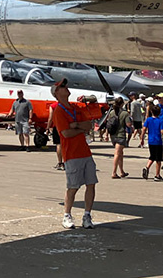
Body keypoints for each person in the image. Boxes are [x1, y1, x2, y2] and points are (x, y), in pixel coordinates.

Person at [50, 79, 97, 229]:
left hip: (85, 152)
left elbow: (89, 125)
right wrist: (80, 129)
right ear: (57, 93)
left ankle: (87, 215)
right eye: (62, 87)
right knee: (73, 187)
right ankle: (66, 215)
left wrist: (76, 125)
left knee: (91, 184)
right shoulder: (58, 111)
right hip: (72, 154)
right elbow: (66, 133)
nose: (66, 88)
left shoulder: (75, 108)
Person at [106, 97, 131, 178]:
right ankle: (114, 172)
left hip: (113, 135)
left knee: (120, 153)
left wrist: (106, 134)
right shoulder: (125, 113)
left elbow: (108, 123)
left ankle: (122, 171)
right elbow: (128, 124)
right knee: (117, 153)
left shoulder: (112, 112)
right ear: (122, 104)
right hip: (120, 135)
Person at [142, 104, 163, 181]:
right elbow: (162, 131)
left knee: (152, 156)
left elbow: (144, 129)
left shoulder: (148, 120)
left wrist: (142, 137)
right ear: (159, 113)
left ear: (151, 112)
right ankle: (157, 175)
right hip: (158, 141)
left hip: (151, 141)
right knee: (158, 159)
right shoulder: (160, 121)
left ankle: (147, 167)